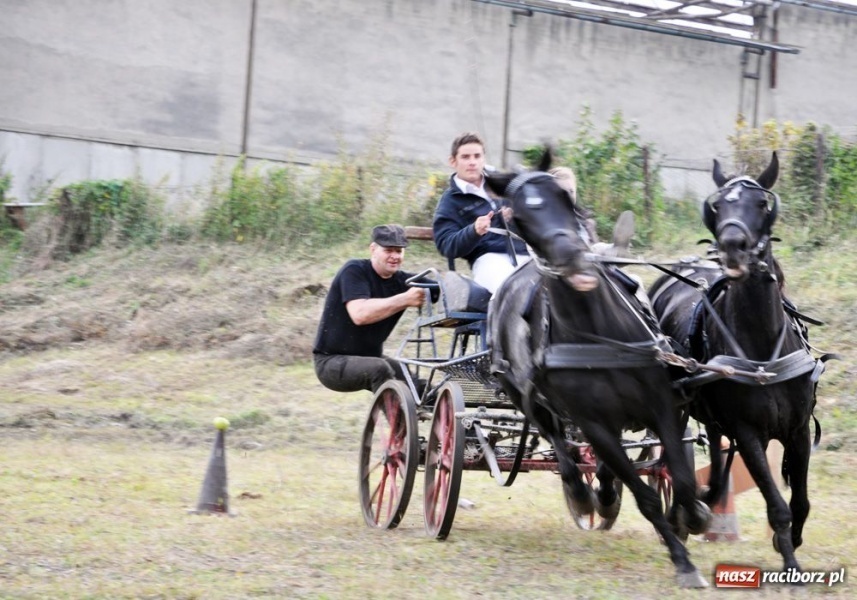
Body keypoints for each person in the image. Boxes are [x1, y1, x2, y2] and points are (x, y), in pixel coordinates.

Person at [313, 224, 428, 394]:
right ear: (373, 249)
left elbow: (445, 288)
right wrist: (405, 299)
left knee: (415, 384)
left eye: (399, 251)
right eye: (389, 250)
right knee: (380, 368)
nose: (395, 256)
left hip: (371, 358)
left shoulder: (404, 281)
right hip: (331, 362)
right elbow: (360, 314)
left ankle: (451, 417)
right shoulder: (354, 271)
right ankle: (400, 419)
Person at [432, 132, 530, 294]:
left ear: (484, 158)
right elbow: (446, 244)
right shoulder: (450, 201)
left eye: (477, 156)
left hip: (527, 254)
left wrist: (516, 216)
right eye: (465, 157)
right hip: (488, 260)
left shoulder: (504, 183)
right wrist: (474, 231)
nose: (472, 162)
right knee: (512, 292)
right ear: (453, 161)